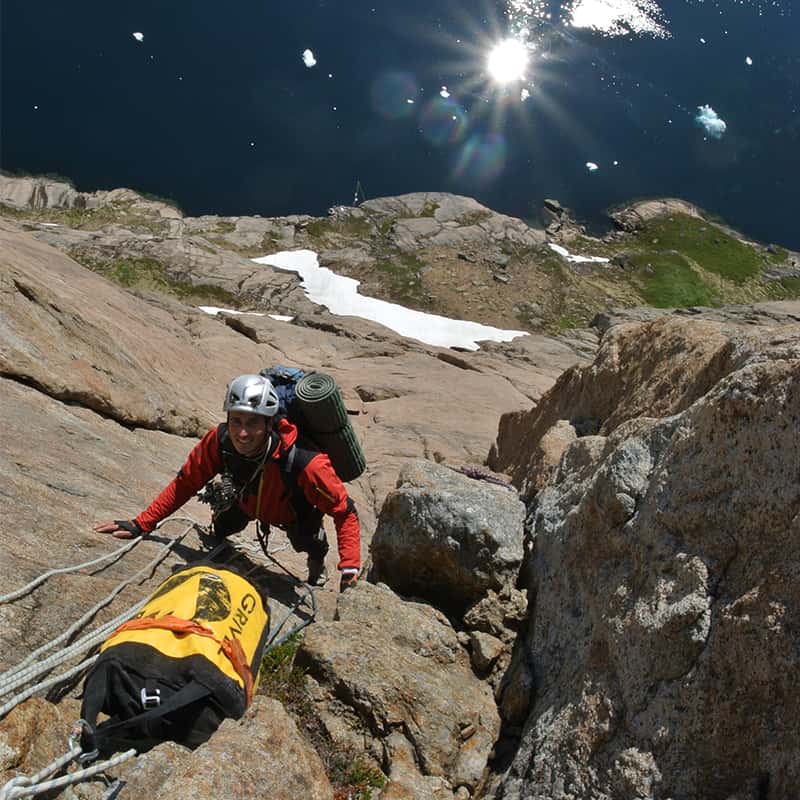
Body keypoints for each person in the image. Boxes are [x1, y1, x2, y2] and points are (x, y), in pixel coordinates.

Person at [95, 374, 360, 591]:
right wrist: (142, 523)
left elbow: (344, 512)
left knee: (307, 543)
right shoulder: (219, 440)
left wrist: (349, 567)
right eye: (236, 421)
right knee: (222, 527)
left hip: (294, 514)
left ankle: (317, 565)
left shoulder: (305, 462)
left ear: (270, 424)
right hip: (243, 501)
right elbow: (186, 483)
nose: (242, 433)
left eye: (253, 423)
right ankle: (221, 537)